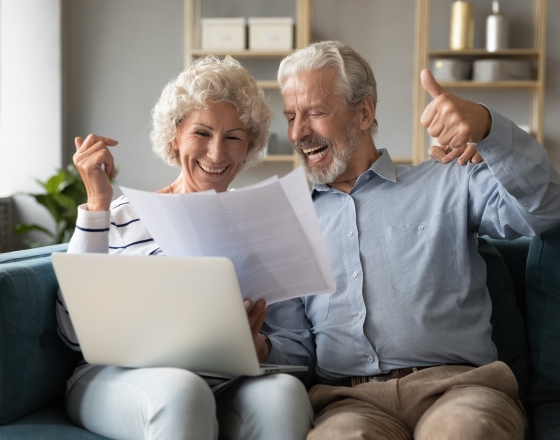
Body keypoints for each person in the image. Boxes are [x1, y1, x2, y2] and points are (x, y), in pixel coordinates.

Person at [261, 40, 560, 439]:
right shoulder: (288, 221)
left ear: (364, 112)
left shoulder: (449, 178)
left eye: (315, 113)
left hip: (460, 391)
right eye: (291, 116)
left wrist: (489, 129)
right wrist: (255, 345)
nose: (298, 132)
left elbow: (545, 209)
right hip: (350, 403)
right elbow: (294, 350)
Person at [55, 55, 313, 440]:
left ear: (250, 146)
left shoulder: (263, 224)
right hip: (118, 378)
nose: (216, 154)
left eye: (234, 137)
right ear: (176, 136)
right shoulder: (118, 214)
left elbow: (297, 354)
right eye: (202, 133)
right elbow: (72, 332)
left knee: (286, 395)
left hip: (225, 381)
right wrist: (96, 205)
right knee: (182, 391)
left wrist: (254, 344)